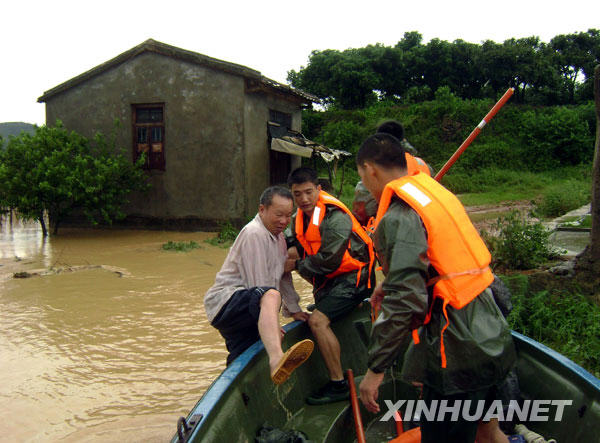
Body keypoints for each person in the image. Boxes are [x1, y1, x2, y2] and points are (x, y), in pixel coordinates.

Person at [356, 133, 516, 443]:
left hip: (457, 351)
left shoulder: (401, 213)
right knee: (488, 433)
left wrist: (375, 370)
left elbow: (406, 303)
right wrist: (387, 284)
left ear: (369, 169)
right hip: (492, 333)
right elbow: (442, 265)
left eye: (361, 176)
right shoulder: (435, 192)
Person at [204, 186, 314, 385]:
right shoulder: (254, 233)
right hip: (226, 302)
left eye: (288, 216)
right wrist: (273, 325)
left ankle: (236, 391)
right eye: (278, 214)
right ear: (262, 210)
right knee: (269, 296)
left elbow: (282, 277)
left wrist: (294, 309)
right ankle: (276, 359)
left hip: (243, 307)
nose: (283, 221)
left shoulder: (279, 238)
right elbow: (259, 285)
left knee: (242, 357)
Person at [286, 166, 374, 404]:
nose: (303, 199)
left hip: (356, 278)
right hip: (332, 280)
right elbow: (292, 240)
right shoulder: (299, 217)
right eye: (297, 194)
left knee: (317, 321)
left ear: (319, 189)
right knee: (291, 251)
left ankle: (338, 384)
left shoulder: (335, 216)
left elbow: (329, 260)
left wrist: (294, 265)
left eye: (308, 192)